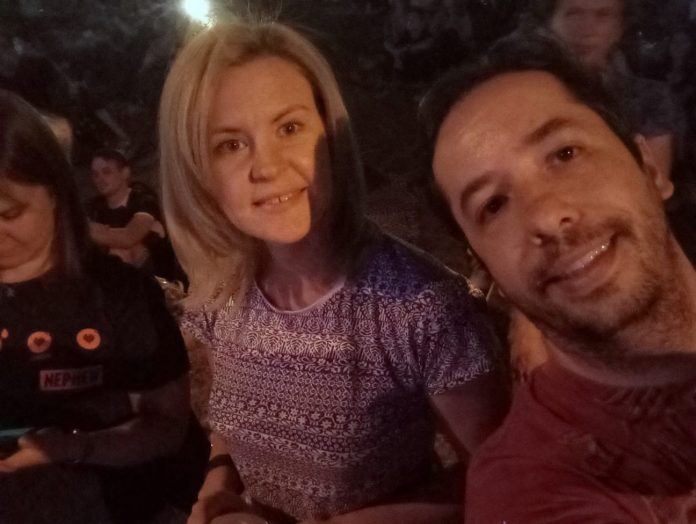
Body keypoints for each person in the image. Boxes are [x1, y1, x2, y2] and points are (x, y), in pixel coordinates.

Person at [159, 20, 507, 524]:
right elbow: (235, 426)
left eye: (289, 128)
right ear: (197, 171)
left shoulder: (421, 309)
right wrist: (215, 489)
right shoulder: (223, 292)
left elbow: (500, 473)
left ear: (332, 135)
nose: (266, 166)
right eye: (230, 145)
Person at [421, 34, 696, 523]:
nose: (546, 216)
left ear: (650, 168)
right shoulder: (527, 489)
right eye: (494, 205)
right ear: (488, 269)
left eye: (565, 154)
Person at [0, 89, 207, 523]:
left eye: (8, 213)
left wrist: (76, 446)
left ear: (55, 191)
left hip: (117, 509)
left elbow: (167, 424)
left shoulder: (119, 293)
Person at [530, 0, 678, 179]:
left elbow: (651, 183)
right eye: (574, 13)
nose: (586, 28)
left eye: (603, 15)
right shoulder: (524, 94)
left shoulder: (649, 100)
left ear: (620, 28)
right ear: (550, 22)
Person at [86, 148, 183, 282]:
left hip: (157, 280)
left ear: (125, 173)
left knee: (123, 252)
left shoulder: (144, 201)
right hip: (112, 277)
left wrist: (90, 231)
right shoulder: (94, 207)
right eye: (95, 174)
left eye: (106, 172)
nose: (100, 179)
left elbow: (130, 237)